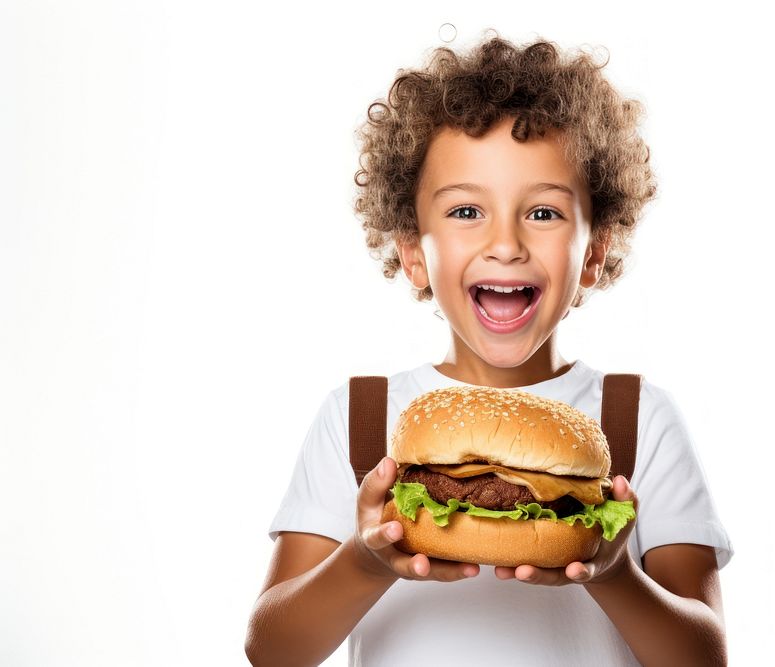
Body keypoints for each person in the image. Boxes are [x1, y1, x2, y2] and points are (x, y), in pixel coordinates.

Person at [245, 32, 733, 667]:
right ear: (413, 253)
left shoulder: (637, 418)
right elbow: (272, 649)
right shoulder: (362, 416)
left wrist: (615, 574)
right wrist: (365, 561)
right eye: (468, 211)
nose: (505, 244)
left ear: (593, 253)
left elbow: (704, 657)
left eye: (544, 214)